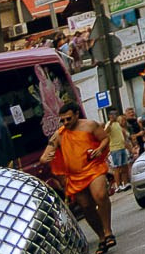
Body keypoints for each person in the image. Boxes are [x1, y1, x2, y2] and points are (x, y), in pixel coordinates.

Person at [44, 99, 114, 252]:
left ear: (77, 114)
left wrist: (100, 149)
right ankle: (102, 237)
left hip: (94, 168)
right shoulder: (59, 134)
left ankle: (108, 232)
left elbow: (105, 138)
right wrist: (47, 157)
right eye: (62, 120)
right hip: (75, 176)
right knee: (86, 206)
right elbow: (45, 155)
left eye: (68, 119)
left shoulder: (90, 125)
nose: (65, 123)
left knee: (100, 195)